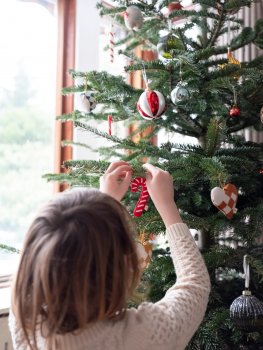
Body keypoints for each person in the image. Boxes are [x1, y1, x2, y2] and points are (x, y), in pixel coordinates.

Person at [9, 161, 210, 350]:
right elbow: (195, 286)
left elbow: (71, 250)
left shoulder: (25, 321)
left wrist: (103, 204)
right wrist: (167, 205)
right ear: (120, 265)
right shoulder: (136, 336)